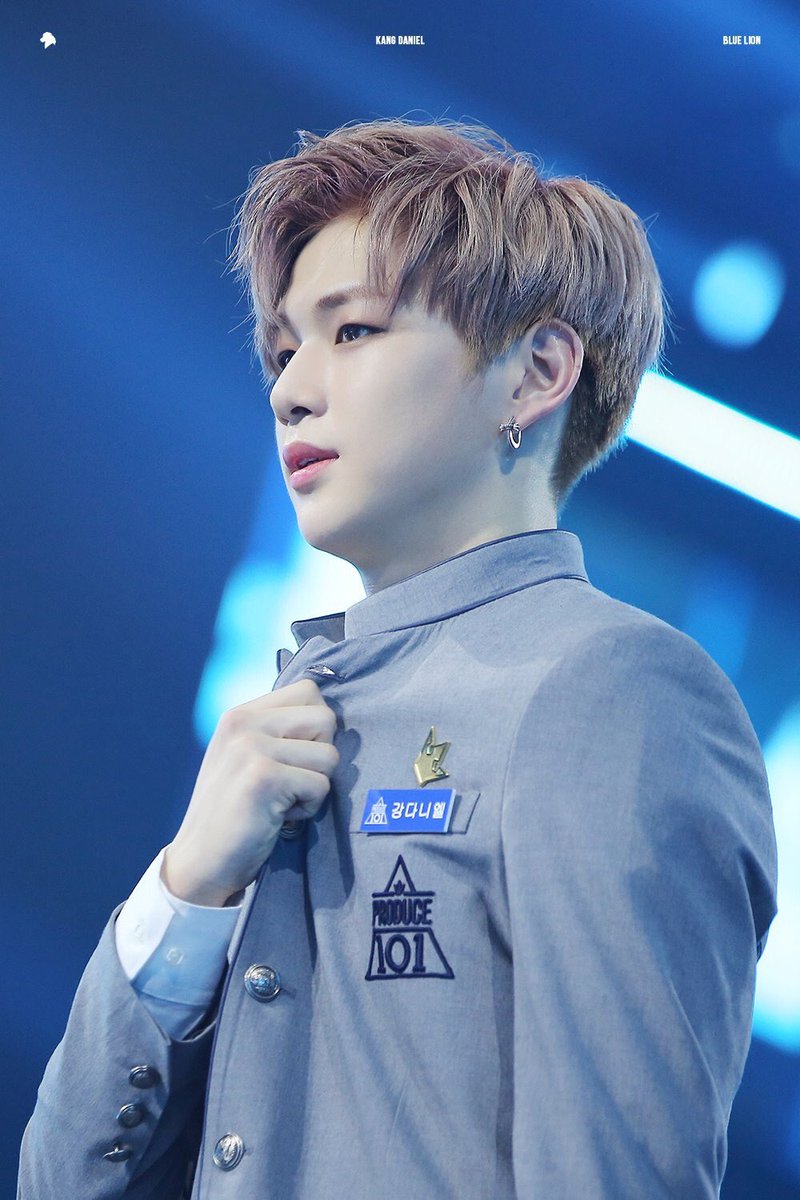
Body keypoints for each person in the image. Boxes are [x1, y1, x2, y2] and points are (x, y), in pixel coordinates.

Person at [18, 117, 778, 1199]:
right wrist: (187, 891)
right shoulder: (287, 717)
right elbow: (59, 1182)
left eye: (354, 330)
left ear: (535, 373)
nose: (290, 387)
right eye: (284, 349)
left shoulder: (614, 692)